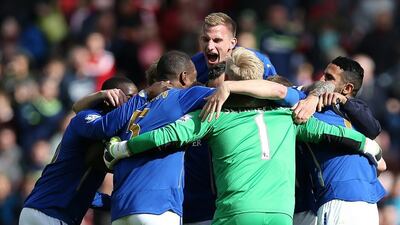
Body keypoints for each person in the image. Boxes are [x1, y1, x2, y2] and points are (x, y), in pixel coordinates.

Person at [105, 50, 382, 225]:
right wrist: (368, 146)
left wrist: (123, 148)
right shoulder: (290, 117)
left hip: (234, 214)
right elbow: (329, 132)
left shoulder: (215, 116)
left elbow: (168, 134)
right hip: (280, 216)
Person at [18, 76, 143, 225]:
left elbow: (81, 191)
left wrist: (118, 203)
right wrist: (143, 96)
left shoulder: (106, 137)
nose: (134, 105)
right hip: (48, 212)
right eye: (129, 98)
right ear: (110, 97)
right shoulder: (87, 118)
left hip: (46, 211)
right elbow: (103, 127)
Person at [298, 56, 386, 225]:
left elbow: (374, 129)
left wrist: (344, 101)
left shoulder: (357, 113)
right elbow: (381, 164)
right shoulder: (311, 105)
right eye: (323, 75)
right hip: (361, 200)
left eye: (329, 78)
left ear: (347, 88)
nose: (321, 80)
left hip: (343, 200)